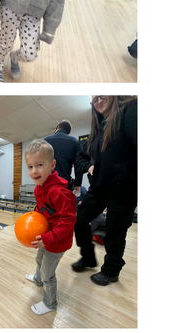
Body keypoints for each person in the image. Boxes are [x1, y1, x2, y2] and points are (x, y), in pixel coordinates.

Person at [71, 96, 137, 286]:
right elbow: (80, 157)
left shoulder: (130, 109)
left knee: (115, 232)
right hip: (99, 188)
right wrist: (89, 166)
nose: (98, 101)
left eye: (102, 95)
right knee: (80, 219)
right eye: (94, 99)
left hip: (123, 189)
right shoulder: (98, 130)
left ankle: (111, 271)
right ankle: (88, 258)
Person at [23, 139, 77, 317]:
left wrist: (49, 237)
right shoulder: (38, 188)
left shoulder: (57, 192)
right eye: (30, 166)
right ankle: (38, 279)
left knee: (48, 273)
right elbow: (42, 209)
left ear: (52, 165)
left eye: (39, 165)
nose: (34, 171)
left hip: (58, 241)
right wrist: (34, 219)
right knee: (39, 259)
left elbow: (69, 219)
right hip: (47, 237)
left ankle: (49, 303)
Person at [43, 121, 86, 190]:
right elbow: (78, 165)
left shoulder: (45, 141)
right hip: (64, 183)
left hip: (47, 182)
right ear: (68, 132)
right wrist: (78, 184)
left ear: (58, 128)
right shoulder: (74, 142)